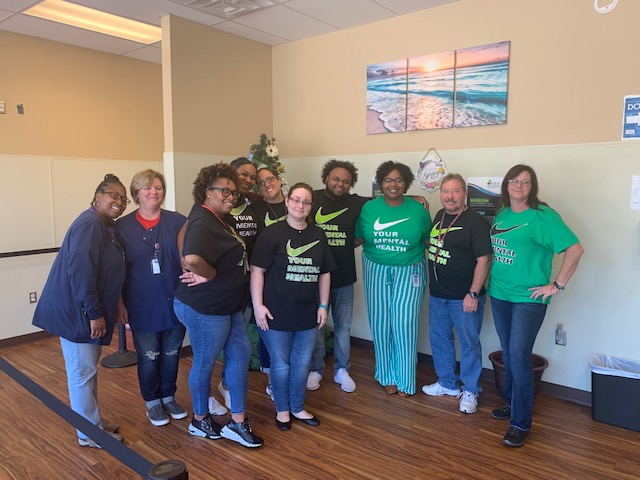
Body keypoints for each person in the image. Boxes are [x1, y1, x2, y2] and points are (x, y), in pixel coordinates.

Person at [488, 164, 583, 448]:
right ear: (506, 185)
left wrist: (557, 285)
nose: (519, 185)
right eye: (514, 180)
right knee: (508, 353)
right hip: (499, 293)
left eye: (525, 182)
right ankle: (513, 403)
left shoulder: (544, 217)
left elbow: (575, 249)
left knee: (518, 356)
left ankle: (520, 423)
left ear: (532, 187)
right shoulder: (502, 213)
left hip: (528, 298)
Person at [32, 174, 129, 448]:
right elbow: (82, 274)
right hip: (79, 314)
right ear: (98, 197)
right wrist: (95, 313)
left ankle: (92, 422)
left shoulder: (104, 225)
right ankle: (88, 434)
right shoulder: (89, 225)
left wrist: (117, 304)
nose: (120, 202)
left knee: (87, 370)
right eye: (114, 196)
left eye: (124, 199)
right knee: (81, 372)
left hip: (86, 311)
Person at [173, 162, 263, 448]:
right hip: (206, 307)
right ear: (206, 191)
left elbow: (181, 238)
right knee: (205, 362)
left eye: (234, 192)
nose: (230, 196)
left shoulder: (219, 216)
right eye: (224, 190)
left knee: (240, 354)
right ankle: (200, 420)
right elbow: (192, 257)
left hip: (229, 303)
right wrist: (206, 274)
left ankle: (237, 422)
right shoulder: (203, 219)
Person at [250, 183, 335, 430]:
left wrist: (323, 305)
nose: (300, 205)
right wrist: (258, 306)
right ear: (287, 202)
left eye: (306, 202)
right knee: (281, 364)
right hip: (276, 312)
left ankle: (297, 407)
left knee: (302, 363)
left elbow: (324, 274)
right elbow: (257, 271)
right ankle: (283, 409)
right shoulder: (271, 234)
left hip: (308, 312)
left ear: (311, 207)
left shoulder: (318, 235)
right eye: (296, 200)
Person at [115, 169, 188, 427]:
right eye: (147, 188)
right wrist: (119, 304)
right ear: (136, 193)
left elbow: (190, 256)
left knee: (171, 353)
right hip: (141, 304)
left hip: (175, 302)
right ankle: (152, 403)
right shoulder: (121, 227)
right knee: (149, 356)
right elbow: (115, 270)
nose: (153, 192)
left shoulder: (178, 221)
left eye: (158, 187)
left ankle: (168, 397)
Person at [355, 161, 431, 397]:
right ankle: (386, 375)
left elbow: (430, 242)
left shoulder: (419, 210)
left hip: (410, 270)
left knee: (404, 324)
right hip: (375, 268)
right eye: (388, 179)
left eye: (398, 179)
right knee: (380, 323)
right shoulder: (369, 208)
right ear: (380, 183)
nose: (393, 184)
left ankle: (406, 379)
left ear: (406, 183)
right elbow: (358, 238)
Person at [421, 174, 492, 414]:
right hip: (438, 294)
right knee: (440, 340)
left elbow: (484, 260)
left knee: (469, 344)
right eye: (446, 192)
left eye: (455, 191)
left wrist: (473, 293)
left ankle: (470, 390)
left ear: (465, 194)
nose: (450, 197)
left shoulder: (476, 222)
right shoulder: (439, 217)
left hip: (465, 297)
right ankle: (447, 383)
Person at [307, 160, 369, 393]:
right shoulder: (312, 198)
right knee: (317, 325)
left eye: (345, 180)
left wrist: (416, 198)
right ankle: (316, 368)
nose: (340, 183)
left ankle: (342, 369)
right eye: (336, 178)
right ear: (326, 178)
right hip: (314, 276)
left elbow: (386, 200)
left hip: (343, 277)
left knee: (343, 327)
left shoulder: (356, 203)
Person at [214, 157, 261, 412]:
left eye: (252, 177)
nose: (248, 180)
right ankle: (227, 386)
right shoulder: (221, 202)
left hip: (251, 279)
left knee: (240, 338)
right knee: (233, 338)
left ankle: (228, 384)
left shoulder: (255, 203)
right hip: (228, 281)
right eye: (243, 174)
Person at [248, 166, 288, 396]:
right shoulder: (255, 209)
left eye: (269, 179)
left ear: (279, 179)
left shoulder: (293, 202)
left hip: (293, 277)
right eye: (260, 183)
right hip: (264, 276)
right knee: (267, 327)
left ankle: (288, 375)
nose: (266, 184)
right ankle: (273, 381)